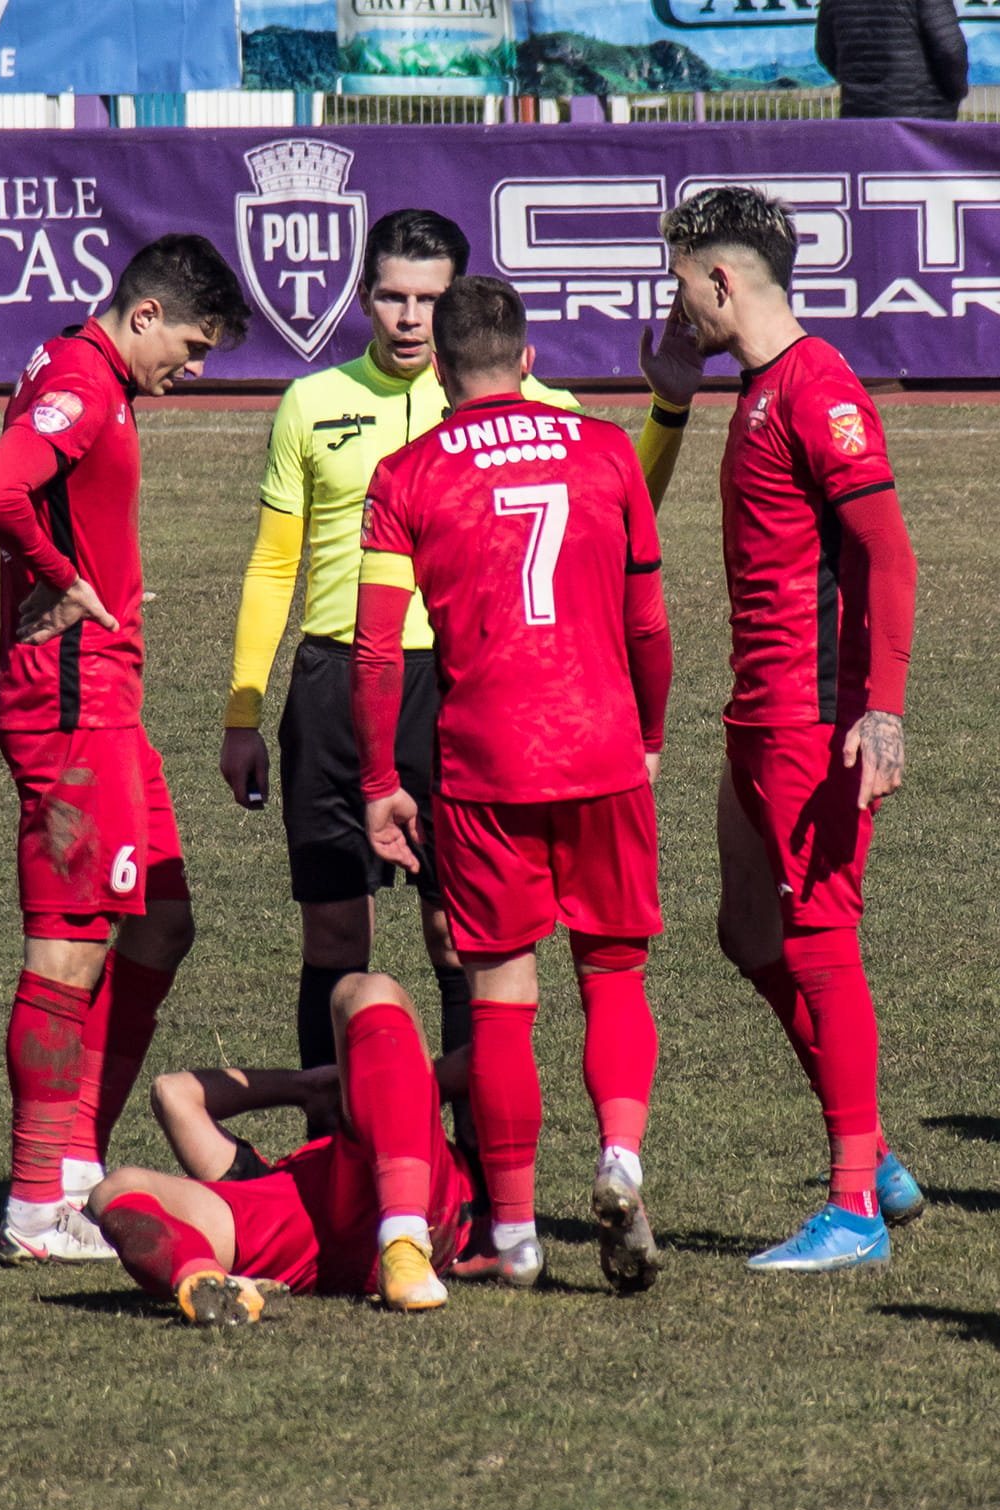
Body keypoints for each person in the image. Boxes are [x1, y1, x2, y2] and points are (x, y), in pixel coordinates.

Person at [218, 209, 701, 1137]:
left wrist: (667, 415)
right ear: (364, 297)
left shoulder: (533, 404)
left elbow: (619, 506)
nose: (407, 317)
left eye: (427, 300)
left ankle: (475, 1162)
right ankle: (339, 1155)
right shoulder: (311, 402)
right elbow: (275, 564)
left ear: (455, 313)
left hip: (460, 691)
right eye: (391, 296)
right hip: (334, 687)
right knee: (335, 936)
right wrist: (245, 710)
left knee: (459, 939)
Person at [354, 276, 673, 1295]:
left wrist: (377, 778)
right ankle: (619, 1156)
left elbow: (375, 651)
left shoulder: (405, 473)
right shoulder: (606, 451)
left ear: (440, 370)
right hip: (600, 746)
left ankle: (519, 1233)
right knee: (612, 974)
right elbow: (648, 622)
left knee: (499, 997)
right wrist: (650, 732)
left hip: (486, 760)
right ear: (529, 360)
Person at [0, 235, 253, 1264]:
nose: (195, 367)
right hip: (71, 703)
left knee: (161, 920)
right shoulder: (86, 384)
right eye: (193, 345)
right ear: (145, 315)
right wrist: (64, 577)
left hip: (108, 702)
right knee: (71, 944)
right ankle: (37, 1207)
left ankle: (76, 1162)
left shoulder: (77, 364)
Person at [660, 186, 926, 1273]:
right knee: (746, 932)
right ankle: (876, 1153)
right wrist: (669, 394)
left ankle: (853, 1204)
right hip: (756, 707)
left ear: (722, 279)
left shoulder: (817, 388)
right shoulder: (757, 386)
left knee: (819, 936)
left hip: (813, 718)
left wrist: (881, 708)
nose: (674, 306)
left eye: (680, 285)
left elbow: (887, 552)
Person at [88, 972, 475, 1323]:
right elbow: (170, 1093)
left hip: (306, 1240)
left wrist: (303, 1088)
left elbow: (174, 1093)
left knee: (114, 1190)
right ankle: (209, 1284)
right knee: (362, 990)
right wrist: (375, 1084)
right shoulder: (260, 1182)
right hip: (419, 1206)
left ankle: (195, 1270)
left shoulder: (264, 1190)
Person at [815, 0, 969, 121]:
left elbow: (825, 49)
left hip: (858, 116)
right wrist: (955, 93)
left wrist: (858, 83)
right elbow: (950, 49)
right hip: (920, 122)